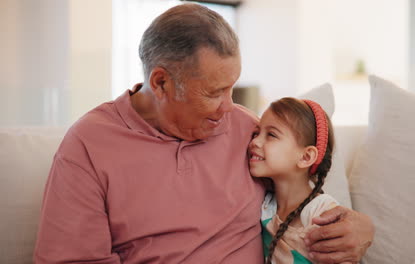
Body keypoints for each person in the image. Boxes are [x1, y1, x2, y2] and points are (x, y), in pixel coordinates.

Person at [34, 3, 374, 264]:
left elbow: (301, 194)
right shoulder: (88, 146)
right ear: (161, 83)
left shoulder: (247, 130)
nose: (229, 108)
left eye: (232, 88)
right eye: (213, 93)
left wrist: (361, 228)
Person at [249, 97, 338, 263]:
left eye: (271, 135)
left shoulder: (322, 213)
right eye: (256, 133)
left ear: (305, 157)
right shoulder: (265, 205)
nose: (254, 142)